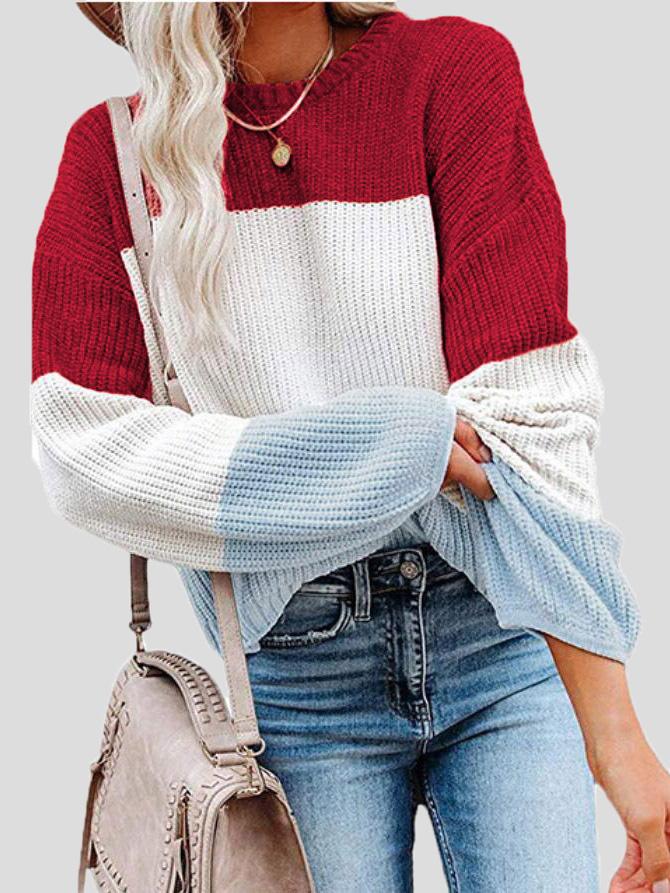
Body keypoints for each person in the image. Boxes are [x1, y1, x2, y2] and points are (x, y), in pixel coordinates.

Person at [30, 3, 669, 891]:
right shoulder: (116, 158)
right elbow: (83, 453)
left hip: (503, 631)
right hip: (298, 676)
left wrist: (617, 738)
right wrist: (399, 443)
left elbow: (532, 424)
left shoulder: (453, 75)